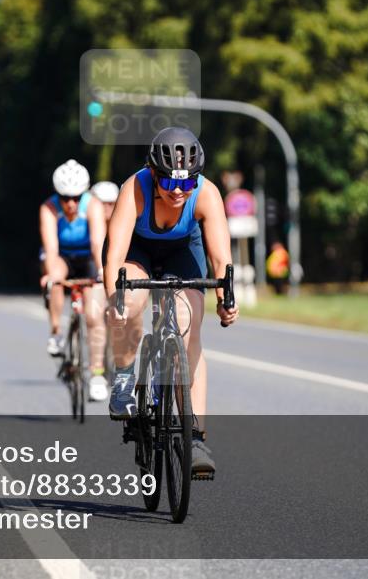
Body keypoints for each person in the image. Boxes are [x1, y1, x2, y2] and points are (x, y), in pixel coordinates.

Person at [103, 127, 239, 477]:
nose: (178, 191)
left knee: (187, 327)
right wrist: (116, 303)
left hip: (183, 251)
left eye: (187, 183)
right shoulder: (134, 189)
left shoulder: (206, 193)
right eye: (168, 182)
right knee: (129, 304)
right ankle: (124, 377)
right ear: (153, 173)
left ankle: (195, 440)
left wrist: (225, 298)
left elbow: (221, 257)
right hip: (138, 250)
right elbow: (114, 256)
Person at [39, 159, 110, 401]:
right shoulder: (49, 208)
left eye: (76, 198)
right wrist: (50, 274)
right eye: (65, 198)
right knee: (54, 280)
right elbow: (51, 248)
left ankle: (97, 375)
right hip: (62, 256)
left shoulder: (93, 205)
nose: (70, 203)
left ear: (84, 194)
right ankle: (56, 332)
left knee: (94, 315)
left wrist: (101, 271)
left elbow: (98, 243)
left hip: (88, 256)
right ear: (57, 195)